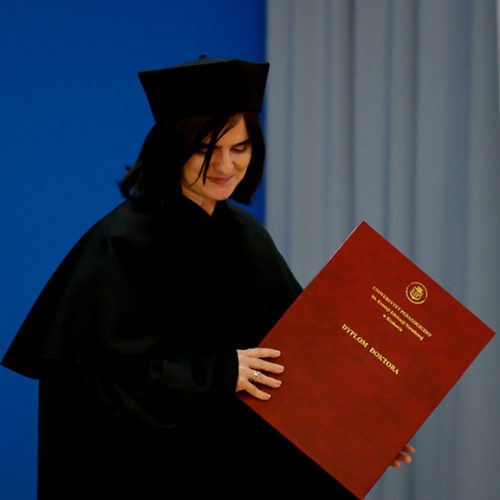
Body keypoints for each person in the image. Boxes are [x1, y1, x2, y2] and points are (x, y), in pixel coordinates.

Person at [1, 56, 414, 499]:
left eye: (240, 148)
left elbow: (300, 354)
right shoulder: (119, 244)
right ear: (172, 148)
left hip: (236, 466)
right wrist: (218, 374)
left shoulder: (247, 235)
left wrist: (363, 432)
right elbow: (93, 387)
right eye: (205, 149)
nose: (225, 166)